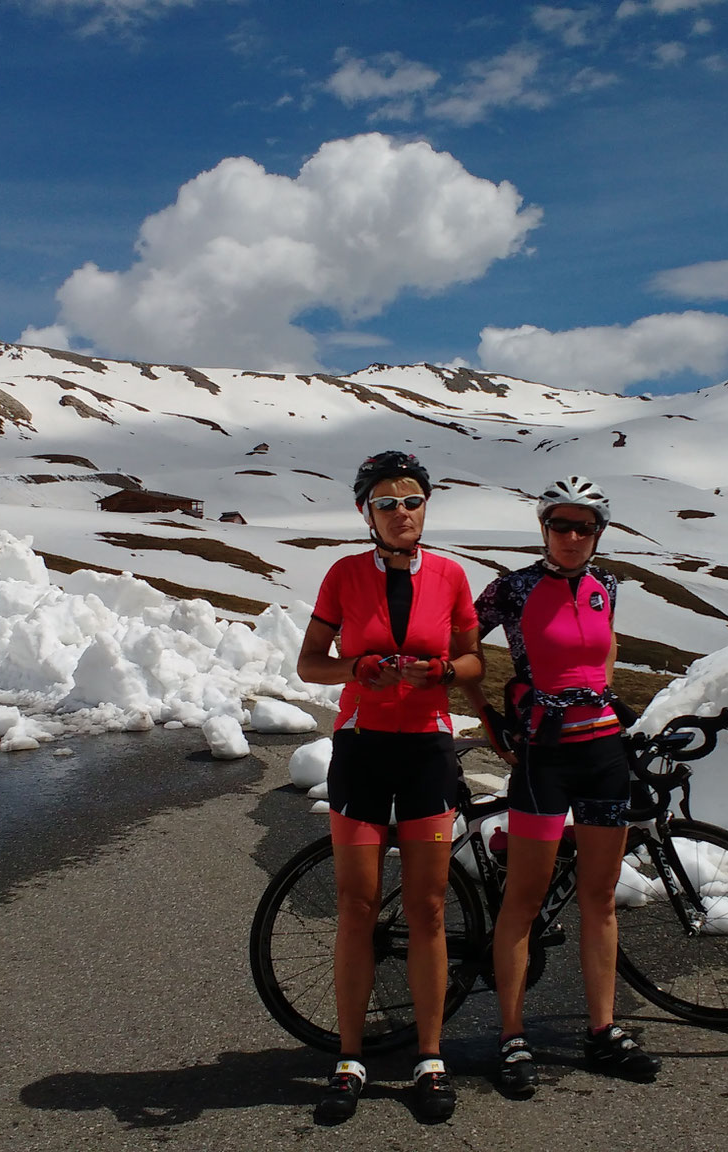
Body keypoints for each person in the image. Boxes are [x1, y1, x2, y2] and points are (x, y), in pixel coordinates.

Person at [295, 450, 484, 1124]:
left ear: (427, 506)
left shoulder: (452, 575)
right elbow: (310, 664)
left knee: (430, 908)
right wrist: (358, 665)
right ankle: (349, 1058)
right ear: (365, 513)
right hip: (362, 751)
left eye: (412, 500)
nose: (402, 513)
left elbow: (473, 659)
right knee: (357, 905)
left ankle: (430, 1057)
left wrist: (440, 673)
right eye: (386, 503)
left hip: (427, 753)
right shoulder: (344, 576)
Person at [463, 475, 662, 1098]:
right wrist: (486, 712)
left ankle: (603, 1030)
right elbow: (461, 644)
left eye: (584, 526)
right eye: (561, 525)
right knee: (523, 899)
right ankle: (512, 1035)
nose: (572, 536)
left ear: (598, 533)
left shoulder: (605, 588)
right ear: (544, 528)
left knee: (599, 899)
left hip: (602, 752)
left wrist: (600, 691)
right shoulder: (514, 587)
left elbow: (605, 651)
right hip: (543, 757)